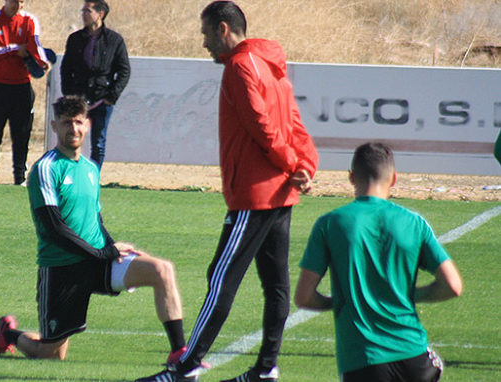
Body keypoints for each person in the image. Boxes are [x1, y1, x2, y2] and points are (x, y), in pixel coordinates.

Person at [137, 2, 318, 381]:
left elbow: (262, 125)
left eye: (205, 34)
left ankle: (185, 368)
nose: (203, 44)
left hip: (256, 194)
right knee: (276, 285)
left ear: (223, 29)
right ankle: (266, 368)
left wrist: (291, 164)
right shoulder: (271, 65)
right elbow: (294, 123)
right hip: (280, 193)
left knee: (221, 277)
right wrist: (304, 165)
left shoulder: (239, 66)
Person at [0, 95, 188, 363]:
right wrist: (102, 253)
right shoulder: (45, 169)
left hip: (98, 261)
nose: (74, 129)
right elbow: (54, 228)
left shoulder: (91, 169)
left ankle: (179, 352)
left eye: (79, 122)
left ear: (88, 124)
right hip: (62, 269)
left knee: (161, 270)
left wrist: (113, 246)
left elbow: (95, 220)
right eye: (66, 123)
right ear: (54, 126)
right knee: (51, 356)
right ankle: (9, 334)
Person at [294, 142, 463, 382]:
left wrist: (338, 302)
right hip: (414, 357)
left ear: (352, 178)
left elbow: (303, 297)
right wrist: (412, 295)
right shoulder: (414, 223)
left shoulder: (330, 224)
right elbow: (453, 285)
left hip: (363, 360)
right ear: (394, 179)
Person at [0, 0, 49, 185]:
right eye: (13, 1)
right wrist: (14, 49)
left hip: (22, 86)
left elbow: (34, 44)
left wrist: (42, 61)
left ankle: (20, 178)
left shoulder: (29, 20)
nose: (16, 5)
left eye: (21, 1)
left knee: (22, 135)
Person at [60, 0, 130, 169]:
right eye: (83, 11)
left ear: (100, 14)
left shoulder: (114, 40)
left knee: (98, 142)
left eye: (88, 11)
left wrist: (111, 96)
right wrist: (69, 95)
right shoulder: (75, 39)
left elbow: (124, 71)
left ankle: (93, 176)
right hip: (78, 99)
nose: (84, 14)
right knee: (72, 138)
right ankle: (71, 174)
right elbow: (65, 69)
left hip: (101, 99)